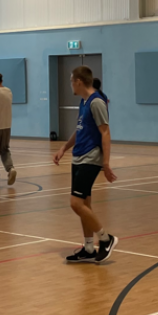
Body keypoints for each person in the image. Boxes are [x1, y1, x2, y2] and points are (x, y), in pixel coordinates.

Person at [53, 68, 117, 263]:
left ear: (79, 81)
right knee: (84, 205)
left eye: (71, 81)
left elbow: (105, 132)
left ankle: (106, 239)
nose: (71, 85)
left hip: (91, 157)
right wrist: (64, 147)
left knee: (76, 203)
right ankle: (89, 248)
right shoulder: (84, 102)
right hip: (79, 156)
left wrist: (106, 163)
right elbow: (80, 129)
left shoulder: (96, 102)